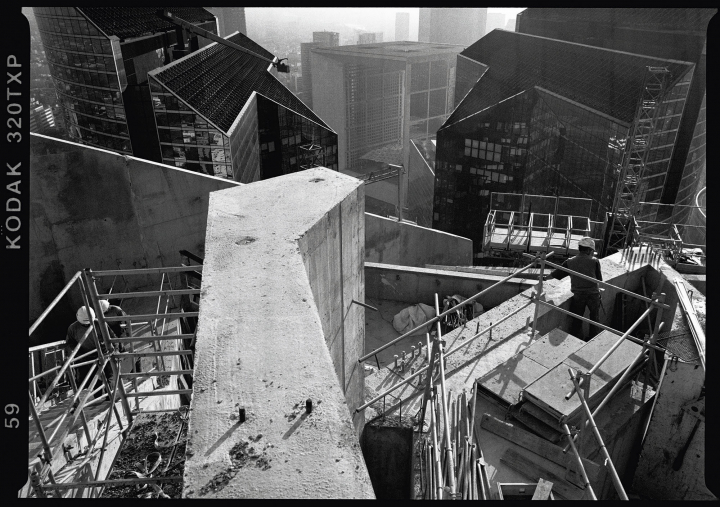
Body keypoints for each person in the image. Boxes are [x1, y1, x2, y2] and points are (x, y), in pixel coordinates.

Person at [551, 237, 603, 341]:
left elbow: (556, 274)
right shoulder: (595, 261)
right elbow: (599, 280)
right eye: (592, 251)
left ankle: (577, 339)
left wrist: (543, 278)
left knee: (577, 318)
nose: (592, 253)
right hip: (593, 294)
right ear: (589, 250)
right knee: (595, 318)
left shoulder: (570, 262)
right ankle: (593, 339)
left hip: (578, 295)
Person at [65, 306, 115, 398]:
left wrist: (113, 349)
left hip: (103, 353)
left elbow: (111, 337)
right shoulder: (73, 328)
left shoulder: (100, 324)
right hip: (86, 357)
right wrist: (79, 354)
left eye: (88, 323)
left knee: (109, 376)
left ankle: (110, 398)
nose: (86, 325)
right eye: (85, 324)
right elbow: (70, 343)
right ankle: (98, 398)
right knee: (94, 379)